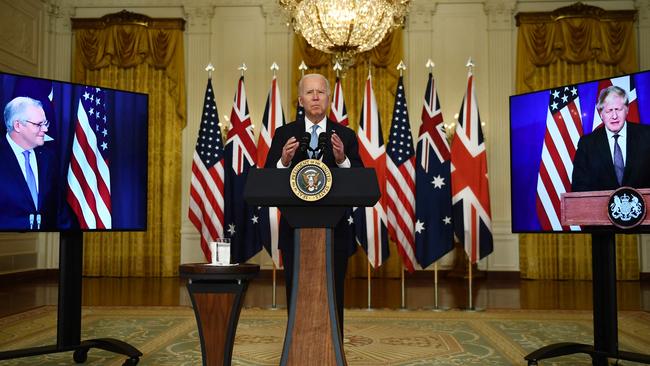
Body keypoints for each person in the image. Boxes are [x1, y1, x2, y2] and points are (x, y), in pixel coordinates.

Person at [265, 73, 362, 334]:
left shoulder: (346, 136)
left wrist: (342, 159)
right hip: (294, 231)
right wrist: (283, 162)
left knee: (333, 293)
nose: (316, 97)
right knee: (297, 293)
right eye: (310, 92)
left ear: (329, 98)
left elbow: (360, 181)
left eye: (321, 92)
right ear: (300, 99)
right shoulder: (284, 134)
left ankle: (334, 350)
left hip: (336, 232)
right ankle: (296, 349)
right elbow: (268, 179)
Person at [572, 85, 650, 192]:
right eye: (609, 111)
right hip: (600, 208)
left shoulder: (647, 136)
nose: (614, 116)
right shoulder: (587, 144)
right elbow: (579, 187)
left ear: (627, 110)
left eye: (618, 109)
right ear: (601, 114)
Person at [0, 96, 57, 230]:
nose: (45, 129)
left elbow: (57, 209)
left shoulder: (48, 158)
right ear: (18, 125)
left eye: (45, 123)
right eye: (38, 124)